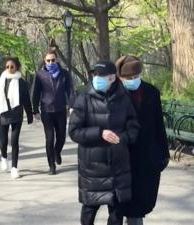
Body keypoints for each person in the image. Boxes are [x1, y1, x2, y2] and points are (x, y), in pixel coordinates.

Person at [68, 60, 139, 225]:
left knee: (116, 214)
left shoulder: (124, 98)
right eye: (95, 74)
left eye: (102, 75)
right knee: (89, 210)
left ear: (113, 78)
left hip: (118, 166)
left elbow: (134, 127)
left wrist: (124, 138)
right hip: (92, 168)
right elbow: (74, 132)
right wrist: (100, 133)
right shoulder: (83, 98)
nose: (97, 78)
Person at [115, 55, 170, 225]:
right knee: (121, 206)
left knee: (140, 202)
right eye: (128, 78)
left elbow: (158, 125)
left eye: (136, 77)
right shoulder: (113, 95)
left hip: (146, 155)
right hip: (122, 157)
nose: (133, 80)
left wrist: (163, 153)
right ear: (120, 78)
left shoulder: (151, 92)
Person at [32, 50, 74, 175]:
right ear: (45, 61)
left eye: (53, 60)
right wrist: (35, 110)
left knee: (61, 136)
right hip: (47, 111)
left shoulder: (64, 73)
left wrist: (72, 105)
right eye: (48, 60)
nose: (51, 62)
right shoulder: (40, 75)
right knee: (49, 138)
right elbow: (35, 93)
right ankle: (51, 165)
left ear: (57, 60)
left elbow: (70, 90)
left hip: (61, 110)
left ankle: (57, 151)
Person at [0, 57, 33, 179]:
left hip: (16, 115)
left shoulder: (22, 82)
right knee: (3, 142)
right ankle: (4, 157)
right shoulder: (0, 80)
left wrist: (30, 114)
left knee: (14, 142)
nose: (9, 69)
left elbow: (26, 99)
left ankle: (14, 168)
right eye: (7, 67)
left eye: (12, 67)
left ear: (17, 67)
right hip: (3, 114)